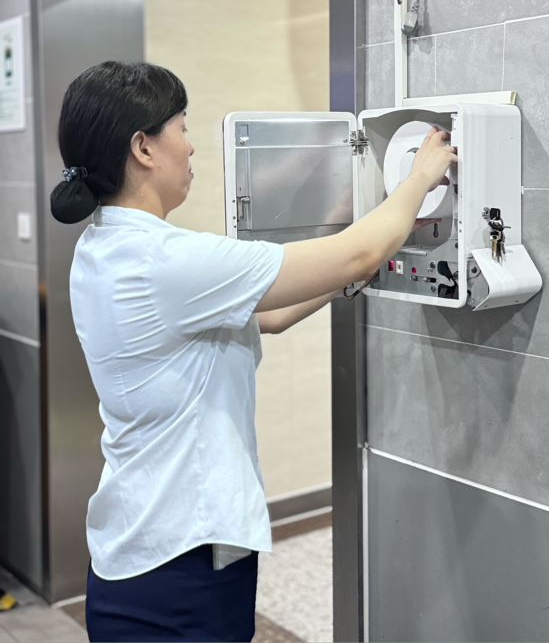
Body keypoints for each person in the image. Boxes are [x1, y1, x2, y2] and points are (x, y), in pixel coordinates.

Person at [50, 61, 456, 643]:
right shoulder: (165, 261)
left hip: (135, 552)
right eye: (182, 128)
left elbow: (270, 314)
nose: (191, 147)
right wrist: (419, 179)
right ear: (143, 147)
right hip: (180, 563)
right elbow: (355, 253)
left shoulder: (103, 248)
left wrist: (357, 270)